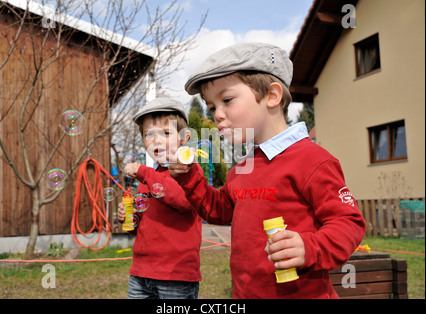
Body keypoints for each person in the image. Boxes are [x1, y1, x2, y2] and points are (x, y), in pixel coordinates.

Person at [169, 42, 366, 299]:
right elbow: (217, 209)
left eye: (227, 100)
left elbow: (348, 222)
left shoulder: (314, 161)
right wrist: (187, 175)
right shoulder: (242, 169)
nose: (217, 114)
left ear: (272, 96)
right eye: (212, 106)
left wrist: (310, 248)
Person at [118, 97, 202, 299]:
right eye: (149, 134)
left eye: (165, 133)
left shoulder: (187, 170)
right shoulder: (147, 179)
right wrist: (129, 219)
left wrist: (143, 172)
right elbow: (142, 227)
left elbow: (182, 201)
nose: (156, 140)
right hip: (141, 272)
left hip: (176, 274)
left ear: (184, 137)